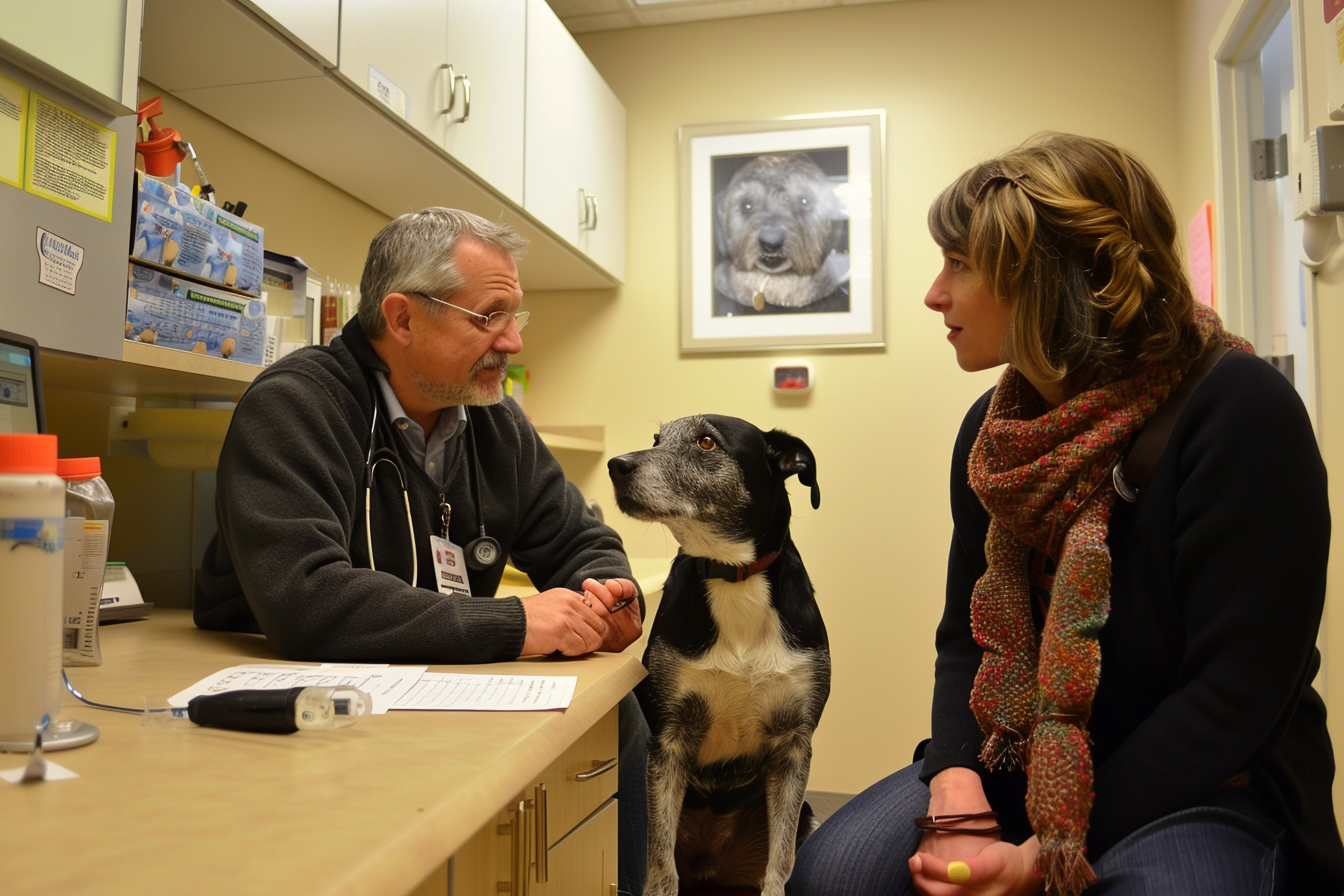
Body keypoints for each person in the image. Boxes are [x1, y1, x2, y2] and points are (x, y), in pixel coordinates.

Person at [786, 134, 1344, 896]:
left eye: (959, 264)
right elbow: (965, 636)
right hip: (1019, 758)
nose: (933, 294)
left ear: (1047, 279)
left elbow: (1236, 697)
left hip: (1206, 782)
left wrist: (1045, 851)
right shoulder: (996, 433)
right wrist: (954, 778)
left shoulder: (1242, 412)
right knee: (836, 876)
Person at [195, 207, 648, 895]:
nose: (514, 342)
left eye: (516, 316)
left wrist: (608, 592)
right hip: (312, 725)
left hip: (436, 692)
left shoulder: (492, 422)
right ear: (403, 319)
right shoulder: (295, 407)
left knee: (630, 718)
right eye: (490, 316)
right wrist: (518, 624)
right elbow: (303, 595)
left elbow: (579, 539)